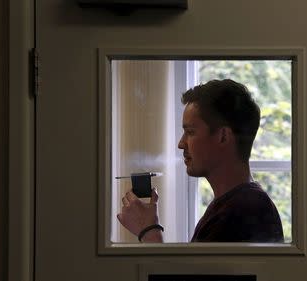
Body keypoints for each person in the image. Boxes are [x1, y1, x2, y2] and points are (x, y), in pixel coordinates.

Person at [117, 79, 284, 243]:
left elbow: (189, 272)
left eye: (190, 132)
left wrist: (149, 231)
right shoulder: (234, 205)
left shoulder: (244, 211)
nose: (181, 144)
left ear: (223, 136)